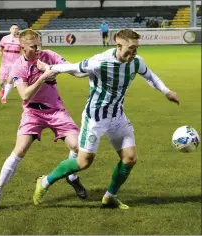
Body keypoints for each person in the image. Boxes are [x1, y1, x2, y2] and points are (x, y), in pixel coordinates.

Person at [32, 28, 180, 209]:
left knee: (130, 158)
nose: (134, 52)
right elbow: (73, 67)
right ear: (119, 45)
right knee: (83, 162)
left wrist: (166, 91)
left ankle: (110, 196)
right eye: (131, 48)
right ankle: (45, 181)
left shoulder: (136, 62)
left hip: (118, 117)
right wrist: (49, 68)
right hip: (95, 118)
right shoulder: (100, 62)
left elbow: (150, 76)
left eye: (136, 48)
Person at [0, 29, 87, 212]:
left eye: (39, 44)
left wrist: (92, 67)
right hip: (32, 113)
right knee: (19, 150)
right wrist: (43, 77)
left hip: (56, 111)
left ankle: (71, 177)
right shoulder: (18, 67)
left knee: (80, 148)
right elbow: (25, 95)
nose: (38, 48)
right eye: (33, 46)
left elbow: (76, 71)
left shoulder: (49, 56)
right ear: (23, 48)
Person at [0, 24, 21, 104]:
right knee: (1, 82)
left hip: (15, 63)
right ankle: (3, 89)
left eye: (16, 28)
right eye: (13, 28)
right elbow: (0, 48)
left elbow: (24, 51)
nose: (14, 30)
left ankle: (4, 97)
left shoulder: (20, 40)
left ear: (18, 30)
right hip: (5, 63)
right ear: (10, 29)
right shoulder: (5, 38)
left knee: (9, 81)